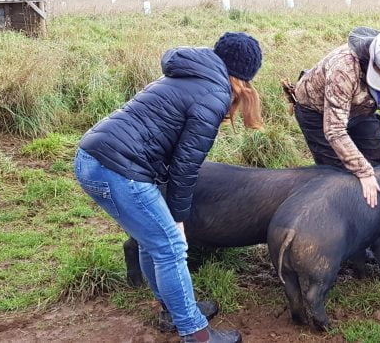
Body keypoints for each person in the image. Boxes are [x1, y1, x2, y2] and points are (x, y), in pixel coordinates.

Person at [75, 32, 264, 343]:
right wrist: (178, 218)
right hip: (117, 169)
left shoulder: (190, 74)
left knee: (153, 242)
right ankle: (196, 333)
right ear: (242, 77)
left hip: (95, 158)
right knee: (171, 247)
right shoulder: (214, 93)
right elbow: (186, 166)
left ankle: (172, 310)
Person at [288, 27, 380, 239]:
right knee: (339, 173)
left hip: (361, 109)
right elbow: (335, 130)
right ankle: (348, 233)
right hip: (317, 112)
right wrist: (362, 171)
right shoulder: (344, 68)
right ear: (371, 59)